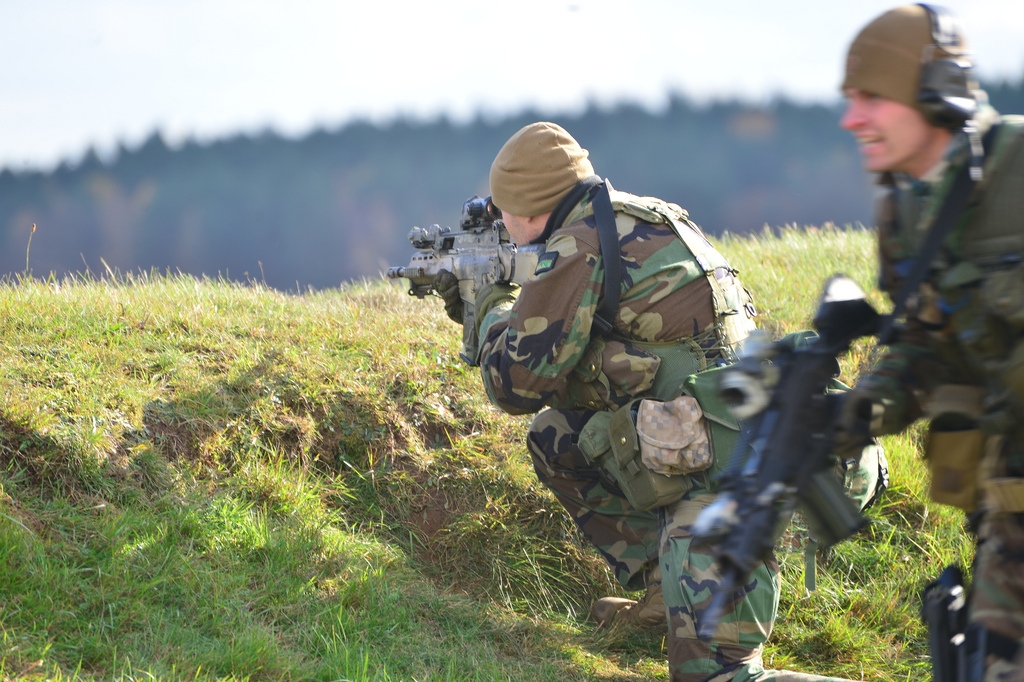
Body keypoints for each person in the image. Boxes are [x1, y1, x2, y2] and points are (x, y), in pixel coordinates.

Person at [436, 121, 857, 681]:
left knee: (717, 678)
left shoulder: (577, 245)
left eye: (503, 211)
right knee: (557, 436)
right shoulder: (638, 216)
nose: (501, 222)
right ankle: (668, 588)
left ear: (531, 209)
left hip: (733, 483)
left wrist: (488, 304)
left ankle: (700, 598)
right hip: (744, 439)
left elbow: (514, 384)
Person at [838, 4, 1024, 679]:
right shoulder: (907, 210)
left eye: (872, 98)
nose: (852, 119)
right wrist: (861, 410)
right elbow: (926, 341)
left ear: (936, 94)